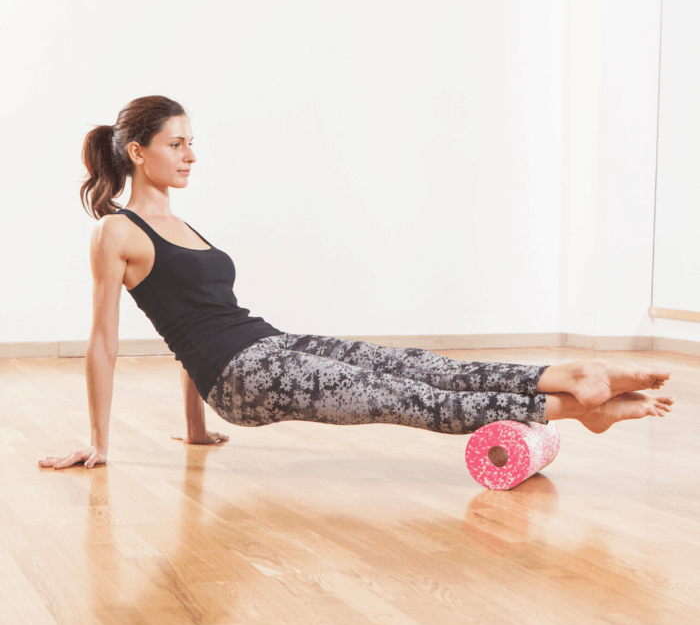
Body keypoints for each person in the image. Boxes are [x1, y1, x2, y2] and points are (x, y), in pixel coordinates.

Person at [39, 95, 673, 470]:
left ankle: (561, 377)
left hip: (271, 346)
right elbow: (104, 342)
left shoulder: (178, 222)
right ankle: (581, 408)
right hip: (246, 380)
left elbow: (190, 327)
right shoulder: (115, 232)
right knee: (405, 398)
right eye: (178, 144)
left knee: (416, 365)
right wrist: (97, 442)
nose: (192, 156)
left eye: (192, 142)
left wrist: (197, 429)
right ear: (138, 153)